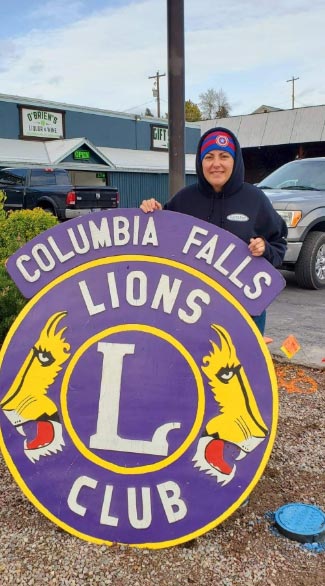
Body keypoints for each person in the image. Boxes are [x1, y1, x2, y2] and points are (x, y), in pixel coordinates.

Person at [140, 126, 288, 335]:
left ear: (235, 161)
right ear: (201, 162)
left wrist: (265, 249)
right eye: (209, 157)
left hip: (244, 312)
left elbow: (279, 245)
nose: (216, 164)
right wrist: (152, 212)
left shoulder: (255, 200)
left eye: (224, 156)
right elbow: (161, 239)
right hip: (190, 313)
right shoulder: (184, 200)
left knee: (243, 367)